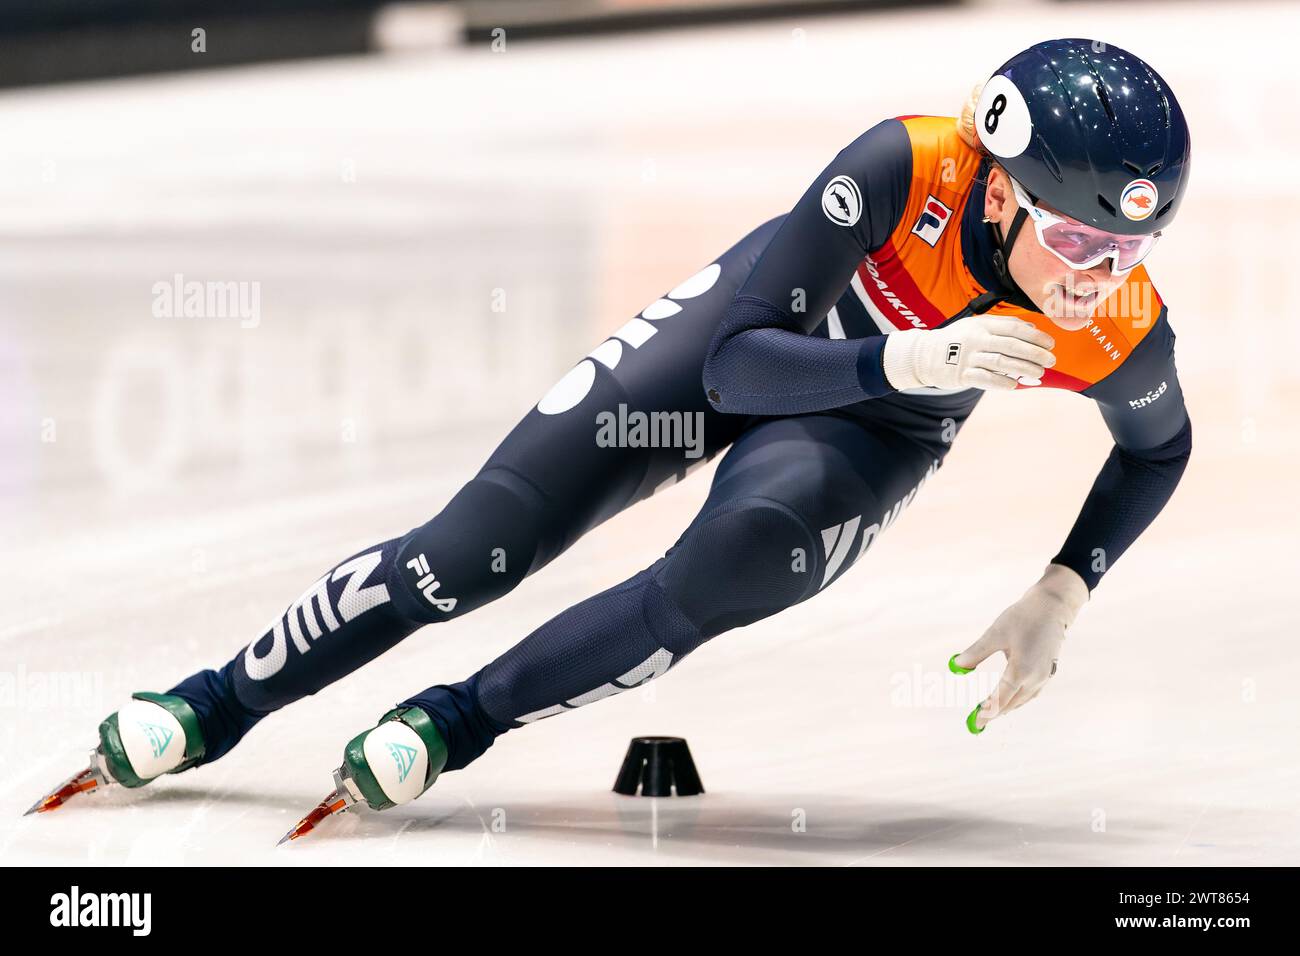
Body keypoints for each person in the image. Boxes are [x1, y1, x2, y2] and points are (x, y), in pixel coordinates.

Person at [30, 38, 1193, 829]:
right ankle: (215, 702)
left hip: (873, 427)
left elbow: (1157, 448)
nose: (1099, 279)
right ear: (995, 189)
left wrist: (1062, 589)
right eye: (1079, 243)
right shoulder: (905, 165)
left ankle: (456, 720)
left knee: (735, 561)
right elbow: (740, 361)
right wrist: (904, 352)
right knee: (467, 552)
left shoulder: (1118, 329)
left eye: (1130, 250)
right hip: (761, 342)